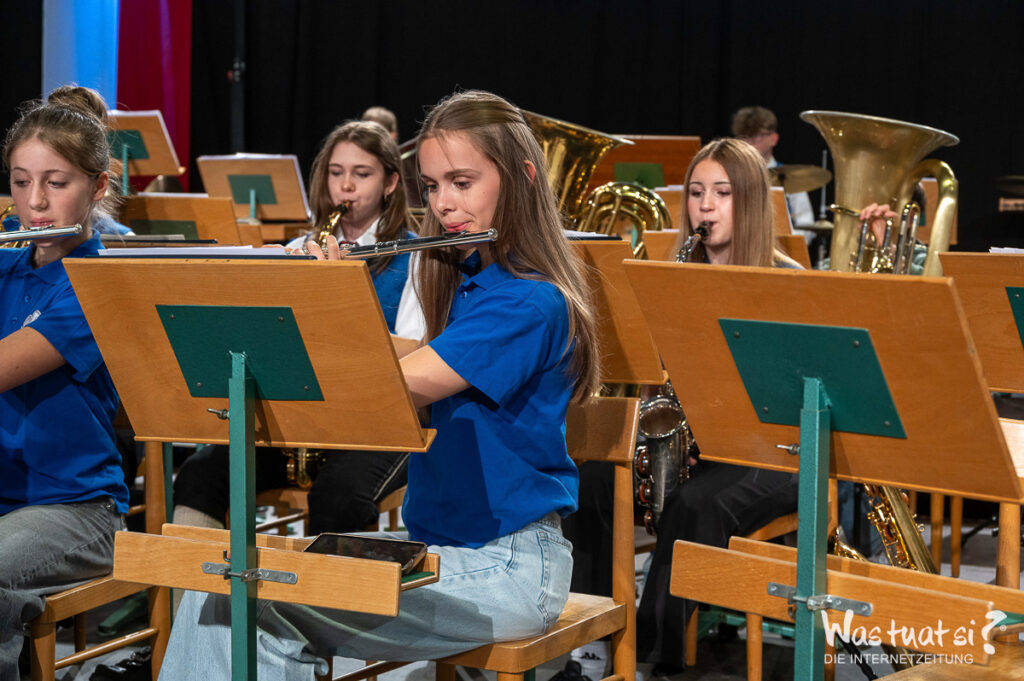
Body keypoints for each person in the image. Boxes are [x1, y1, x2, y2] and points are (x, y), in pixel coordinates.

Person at [157, 89, 600, 679]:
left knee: (251, 605)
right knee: (223, 591)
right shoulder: (466, 280)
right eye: (432, 186)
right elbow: (397, 359)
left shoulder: (528, 301)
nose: (443, 204)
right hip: (435, 552)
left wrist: (329, 300)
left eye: (462, 182)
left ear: (521, 177)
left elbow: (384, 390)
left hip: (508, 566)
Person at [563, 138, 802, 677]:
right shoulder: (667, 276)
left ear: (751, 201)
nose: (705, 206)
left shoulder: (785, 281)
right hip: (691, 446)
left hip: (768, 454)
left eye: (722, 193)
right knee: (594, 480)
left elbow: (787, 401)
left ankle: (652, 655)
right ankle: (592, 646)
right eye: (696, 193)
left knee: (695, 505)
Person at [173, 120, 423, 537]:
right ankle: (199, 584)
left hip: (376, 425)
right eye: (336, 173)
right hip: (300, 424)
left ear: (390, 183)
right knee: (200, 475)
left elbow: (413, 351)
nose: (346, 186)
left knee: (339, 499)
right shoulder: (299, 249)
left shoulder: (414, 257)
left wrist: (339, 301)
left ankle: (326, 584)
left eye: (362, 174)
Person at [0, 97, 129, 677]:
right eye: (20, 181)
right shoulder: (7, 264)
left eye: (56, 183)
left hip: (76, 511)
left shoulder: (98, 285)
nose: (34, 203)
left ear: (97, 186)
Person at [731, 106, 814, 241]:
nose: (749, 142)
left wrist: (783, 243)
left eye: (757, 135)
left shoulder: (790, 177)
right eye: (744, 136)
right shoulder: (730, 177)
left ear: (774, 139)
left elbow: (807, 226)